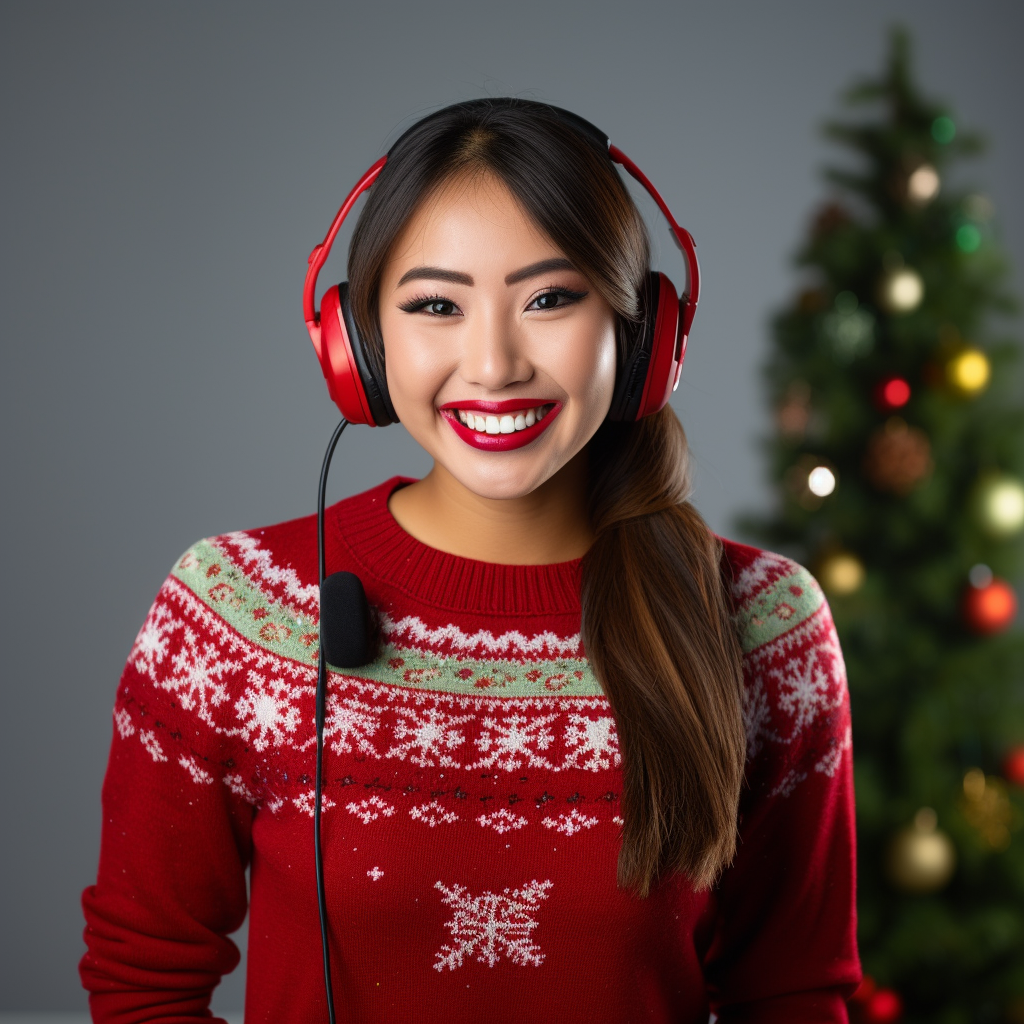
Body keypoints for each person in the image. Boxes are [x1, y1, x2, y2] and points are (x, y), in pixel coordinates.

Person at [80, 98, 860, 1023]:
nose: (493, 365)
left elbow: (793, 996)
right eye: (436, 305)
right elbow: (145, 986)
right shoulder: (233, 612)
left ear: (642, 332)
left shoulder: (765, 624)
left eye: (550, 298)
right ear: (358, 343)